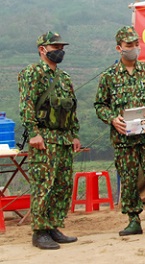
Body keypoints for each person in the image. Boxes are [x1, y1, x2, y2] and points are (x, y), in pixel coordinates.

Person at [94, 26, 145, 237]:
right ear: (119, 48)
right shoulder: (109, 76)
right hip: (123, 139)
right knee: (129, 179)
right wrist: (113, 119)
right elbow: (100, 105)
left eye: (136, 44)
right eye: (129, 45)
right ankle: (133, 220)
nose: (134, 48)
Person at [18, 31, 81, 250]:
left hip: (63, 138)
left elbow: (71, 108)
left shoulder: (64, 77)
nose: (60, 51)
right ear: (42, 49)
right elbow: (26, 104)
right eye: (55, 48)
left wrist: (74, 134)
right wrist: (33, 132)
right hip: (44, 138)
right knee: (43, 185)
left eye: (61, 47)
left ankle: (53, 225)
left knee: (61, 186)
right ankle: (40, 231)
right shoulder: (32, 73)